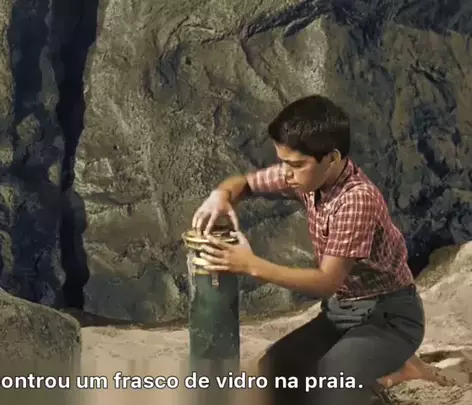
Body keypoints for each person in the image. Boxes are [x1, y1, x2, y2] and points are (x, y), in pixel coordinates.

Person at [191, 95, 447, 404]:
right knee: (275, 370)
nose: (286, 173)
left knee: (333, 382)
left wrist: (250, 265)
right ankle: (393, 365)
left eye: (296, 165)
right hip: (341, 311)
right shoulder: (305, 178)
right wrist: (220, 195)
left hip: (388, 316)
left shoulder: (356, 200)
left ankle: (389, 366)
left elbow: (327, 281)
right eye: (283, 162)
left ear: (332, 158)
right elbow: (245, 183)